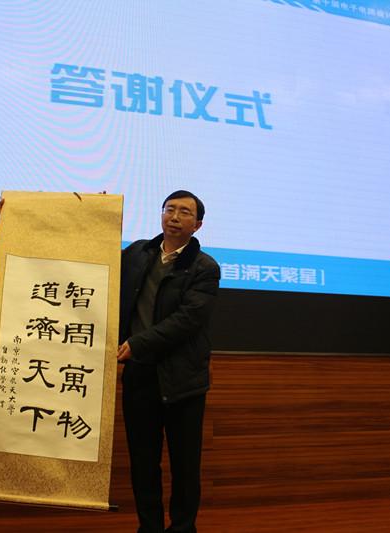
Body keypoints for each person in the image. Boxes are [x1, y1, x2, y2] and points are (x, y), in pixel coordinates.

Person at [117, 190, 221, 533]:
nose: (175, 217)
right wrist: (100, 214)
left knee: (184, 465)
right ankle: (148, 527)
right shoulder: (138, 253)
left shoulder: (205, 267)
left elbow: (187, 320)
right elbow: (100, 265)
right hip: (140, 377)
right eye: (169, 209)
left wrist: (137, 344)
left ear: (197, 224)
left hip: (183, 381)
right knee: (143, 463)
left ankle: (183, 528)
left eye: (184, 212)